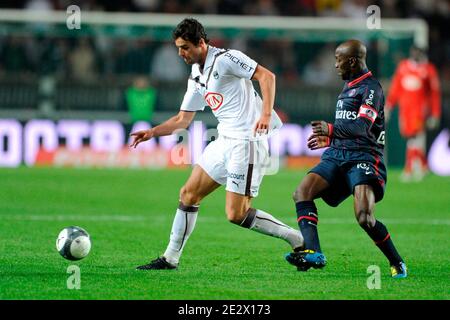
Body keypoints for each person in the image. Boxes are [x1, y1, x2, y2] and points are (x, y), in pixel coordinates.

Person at [130, 18, 303, 270]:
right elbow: (182, 120)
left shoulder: (227, 59)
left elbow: (267, 76)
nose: (181, 53)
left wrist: (265, 114)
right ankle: (170, 258)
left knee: (237, 214)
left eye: (185, 47)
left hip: (247, 142)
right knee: (188, 194)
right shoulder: (196, 74)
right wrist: (152, 132)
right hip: (224, 141)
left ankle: (297, 238)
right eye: (178, 48)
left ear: (201, 43)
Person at [285, 40, 407, 278]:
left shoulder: (371, 89)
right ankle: (314, 252)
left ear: (352, 61)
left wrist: (330, 129)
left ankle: (397, 261)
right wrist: (331, 140)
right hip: (338, 153)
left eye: (338, 59)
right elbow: (347, 125)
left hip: (364, 156)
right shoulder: (349, 86)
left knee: (364, 218)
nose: (335, 65)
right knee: (302, 192)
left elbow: (362, 127)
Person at [385, 46, 441, 181]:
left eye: (418, 52)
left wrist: (435, 113)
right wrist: (389, 105)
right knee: (412, 139)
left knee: (413, 138)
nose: (415, 54)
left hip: (420, 110)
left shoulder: (428, 69)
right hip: (405, 111)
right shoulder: (403, 67)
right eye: (413, 52)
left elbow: (434, 93)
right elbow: (395, 89)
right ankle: (423, 166)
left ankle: (409, 169)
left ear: (421, 54)